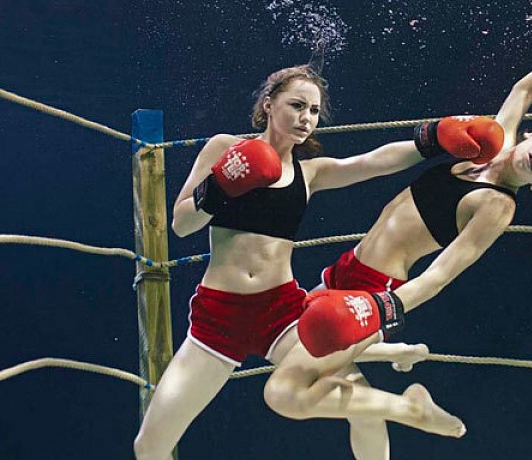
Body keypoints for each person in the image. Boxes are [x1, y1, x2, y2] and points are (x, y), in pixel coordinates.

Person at [265, 1, 532, 431]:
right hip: (346, 267)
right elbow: (523, 90)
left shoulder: (498, 206)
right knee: (354, 406)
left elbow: (441, 274)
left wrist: (381, 309)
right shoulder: (494, 142)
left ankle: (413, 407)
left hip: (375, 291)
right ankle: (401, 376)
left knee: (289, 389)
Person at [133, 58, 504, 459]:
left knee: (362, 405)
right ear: (269, 103)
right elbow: (181, 224)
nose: (306, 118)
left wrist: (433, 138)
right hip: (219, 315)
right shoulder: (225, 148)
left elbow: (374, 162)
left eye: (313, 111)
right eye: (297, 105)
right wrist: (221, 185)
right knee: (150, 446)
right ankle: (397, 359)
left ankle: (410, 407)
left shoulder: (310, 173)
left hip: (282, 312)